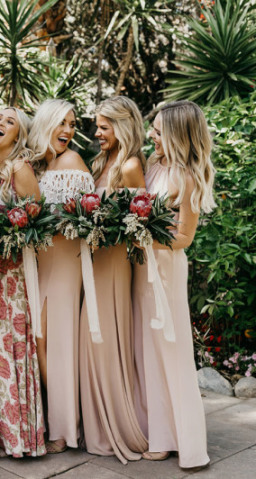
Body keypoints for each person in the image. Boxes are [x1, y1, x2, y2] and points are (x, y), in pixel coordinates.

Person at [133, 101, 214, 469]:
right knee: (146, 348)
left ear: (178, 135)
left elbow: (184, 238)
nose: (152, 134)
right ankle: (159, 433)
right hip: (140, 266)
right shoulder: (152, 164)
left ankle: (188, 440)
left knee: (172, 348)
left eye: (159, 129)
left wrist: (147, 236)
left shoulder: (188, 175)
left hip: (165, 268)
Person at [0, 107, 46, 458]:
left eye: (9, 121)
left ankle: (19, 437)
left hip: (9, 281)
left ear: (19, 135)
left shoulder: (20, 168)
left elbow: (37, 224)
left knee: (8, 349)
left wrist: (2, 250)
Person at [80, 96, 148, 464]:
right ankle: (95, 425)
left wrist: (106, 228)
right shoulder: (100, 163)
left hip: (114, 263)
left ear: (122, 127)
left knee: (102, 339)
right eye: (97, 125)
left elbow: (140, 226)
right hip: (93, 260)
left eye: (104, 127)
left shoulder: (132, 166)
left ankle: (115, 425)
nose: (97, 133)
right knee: (88, 339)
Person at [28, 99, 94, 453]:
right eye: (61, 123)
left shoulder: (71, 162)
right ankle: (57, 420)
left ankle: (65, 430)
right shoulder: (41, 164)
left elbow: (80, 218)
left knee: (56, 340)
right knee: (41, 339)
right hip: (42, 263)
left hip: (65, 262)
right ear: (45, 124)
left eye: (72, 124)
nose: (68, 131)